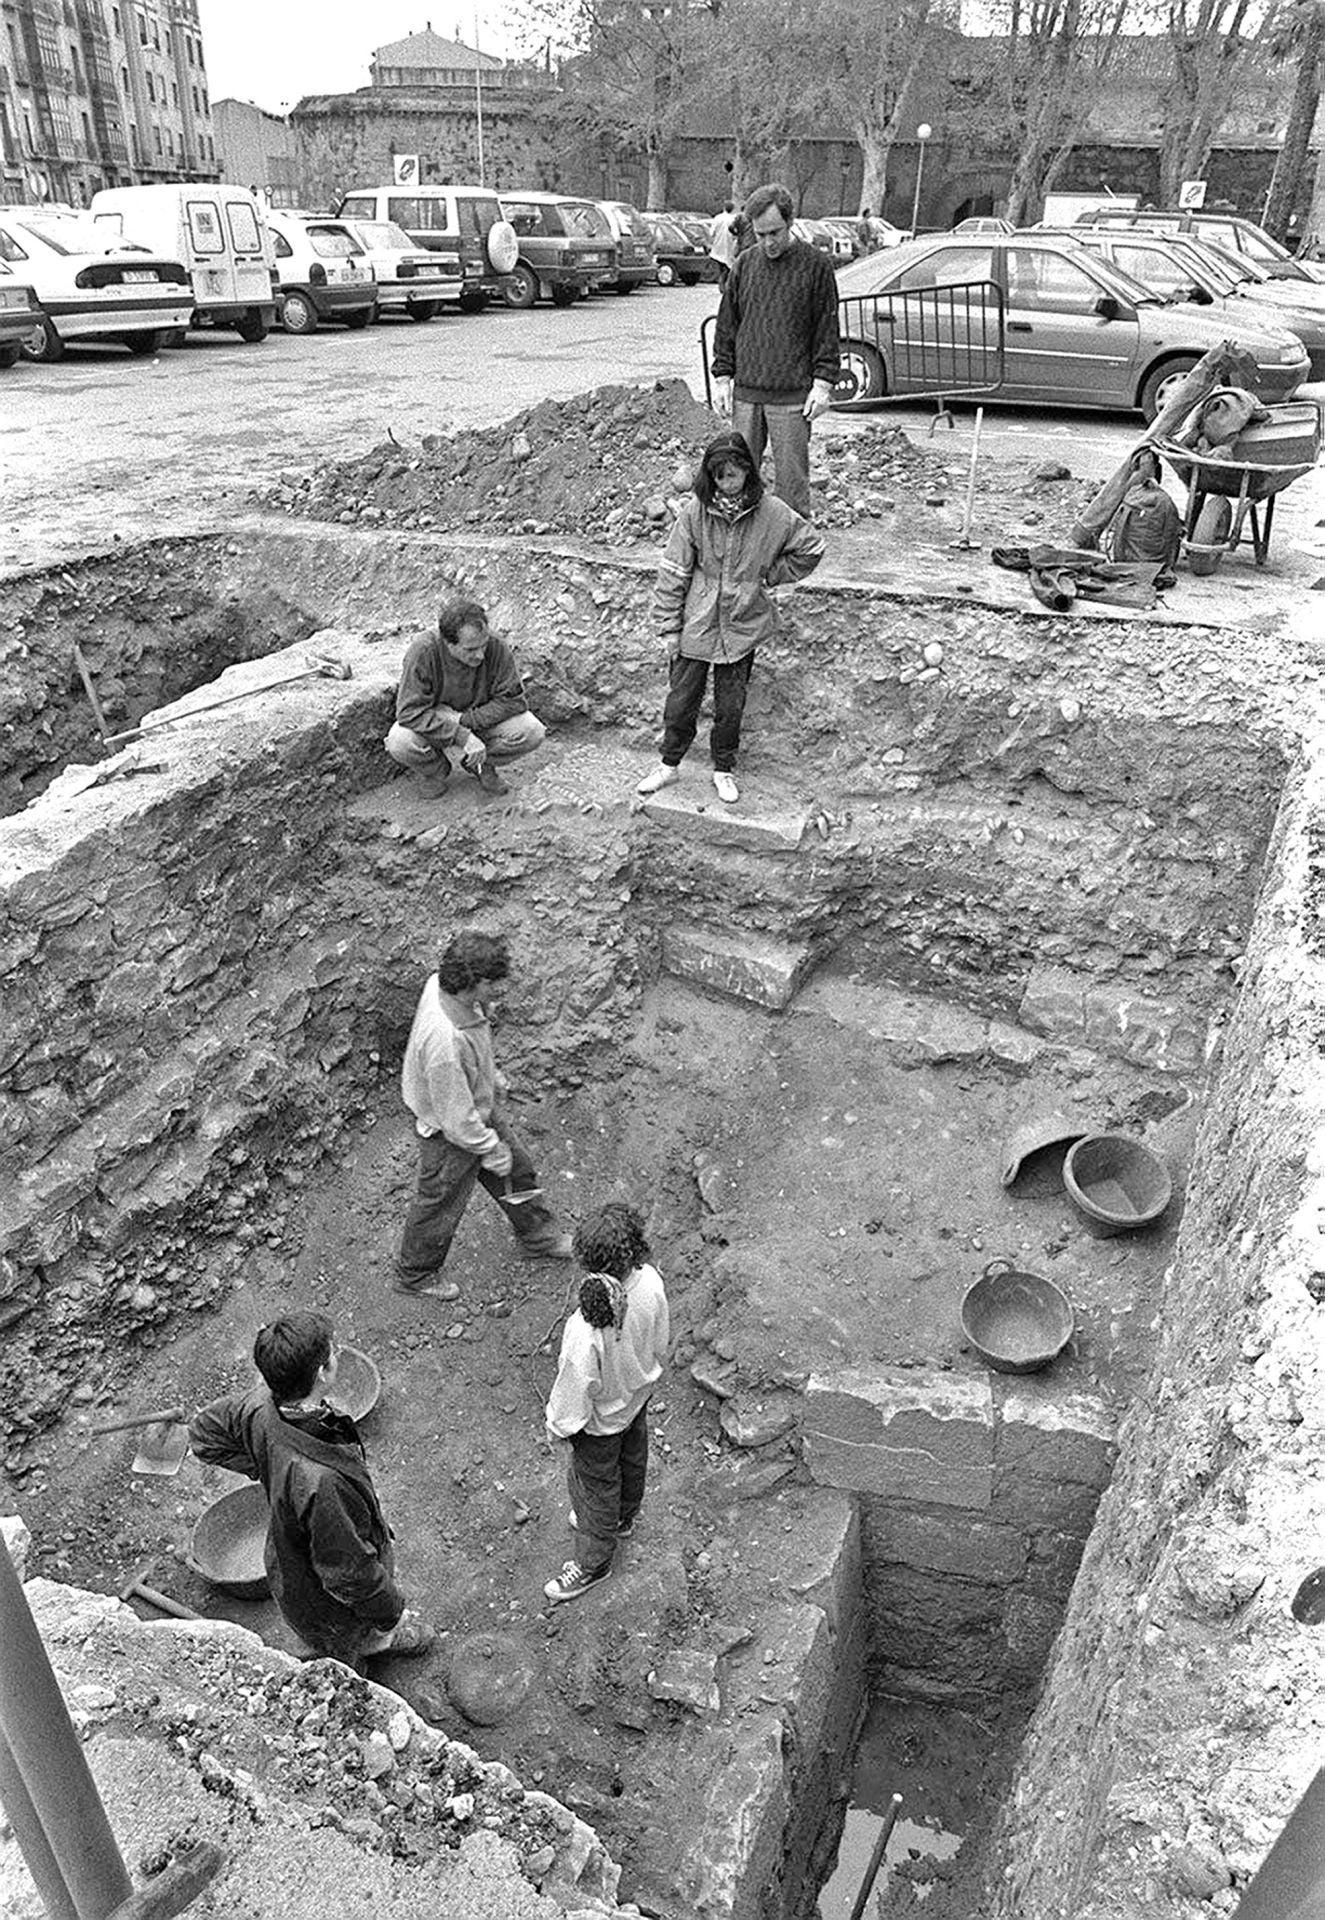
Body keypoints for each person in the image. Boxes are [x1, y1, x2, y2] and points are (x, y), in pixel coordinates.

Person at [189, 1312, 434, 1671]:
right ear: (322, 1373)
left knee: (331, 1626)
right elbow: (350, 1573)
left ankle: (354, 1652)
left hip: (292, 1561)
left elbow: (203, 1433)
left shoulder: (260, 1404)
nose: (337, 1355)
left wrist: (269, 1468)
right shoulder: (322, 1484)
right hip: (322, 1593)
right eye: (332, 1353)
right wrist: (391, 1615)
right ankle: (358, 1661)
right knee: (345, 1640)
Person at [636, 429, 824, 805]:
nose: (727, 483)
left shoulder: (772, 513)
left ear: (747, 473)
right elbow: (673, 572)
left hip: (742, 624)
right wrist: (669, 627)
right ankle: (669, 765)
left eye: (734, 474)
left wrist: (770, 575)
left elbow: (812, 548)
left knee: (730, 705)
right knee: (681, 700)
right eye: (719, 476)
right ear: (710, 477)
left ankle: (723, 770)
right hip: (697, 622)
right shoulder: (695, 512)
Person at [395, 931, 572, 1295]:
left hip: (470, 1107)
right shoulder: (444, 1042)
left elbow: (468, 1063)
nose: (499, 991)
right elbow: (457, 1122)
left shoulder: (442, 987)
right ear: (474, 983)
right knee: (439, 1205)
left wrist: (489, 1077)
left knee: (518, 1170)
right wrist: (490, 1149)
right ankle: (415, 1276)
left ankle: (538, 1238)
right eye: (494, 984)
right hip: (448, 1134)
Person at [542, 1203, 670, 1605]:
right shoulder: (650, 1281)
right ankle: (625, 1517)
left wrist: (559, 1426)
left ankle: (594, 1562)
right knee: (633, 1461)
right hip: (637, 1399)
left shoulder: (586, 1326)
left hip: (600, 1422)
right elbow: (660, 1338)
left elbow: (575, 1385)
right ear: (633, 1249)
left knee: (595, 1487)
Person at [710, 181, 841, 520]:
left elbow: (826, 328)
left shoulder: (816, 267)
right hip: (748, 393)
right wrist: (723, 376)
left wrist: (823, 383)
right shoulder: (744, 264)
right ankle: (740, 539)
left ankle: (791, 549)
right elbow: (728, 324)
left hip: (792, 395)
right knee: (736, 477)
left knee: (791, 483)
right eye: (760, 234)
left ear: (791, 222)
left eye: (775, 233)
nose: (768, 242)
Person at [385, 595, 547, 799]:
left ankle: (482, 765)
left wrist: (463, 721)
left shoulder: (496, 646)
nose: (480, 655)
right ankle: (435, 771)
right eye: (470, 649)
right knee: (400, 741)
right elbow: (408, 713)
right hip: (437, 723)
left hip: (479, 719)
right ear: (448, 643)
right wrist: (462, 736)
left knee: (532, 731)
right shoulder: (424, 651)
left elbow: (514, 702)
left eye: (483, 645)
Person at [709, 201, 740, 288]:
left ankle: (722, 284)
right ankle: (725, 284)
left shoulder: (717, 218)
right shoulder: (734, 218)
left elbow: (711, 233)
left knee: (721, 266)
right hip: (730, 246)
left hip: (718, 246)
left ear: (724, 208)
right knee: (728, 267)